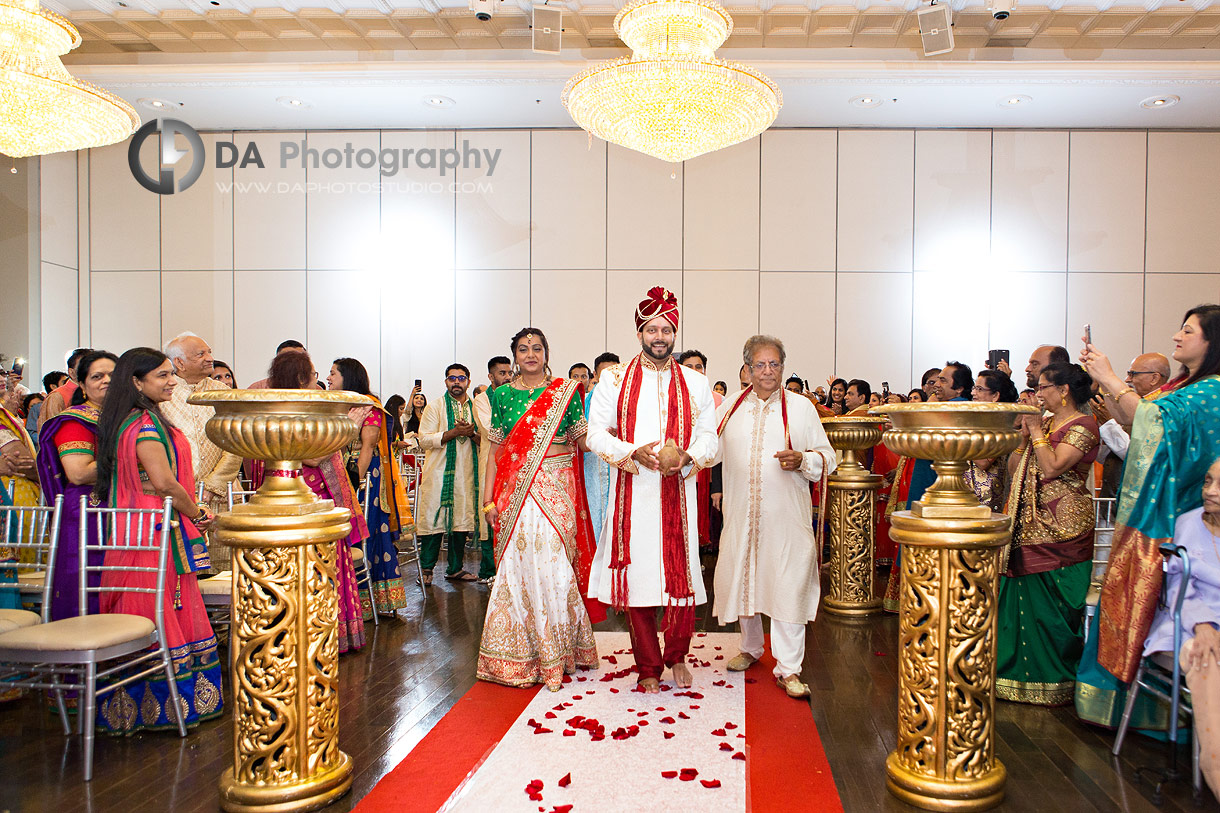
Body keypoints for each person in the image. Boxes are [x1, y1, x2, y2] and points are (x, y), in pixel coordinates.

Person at [586, 286, 717, 693]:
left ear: (674, 333)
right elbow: (594, 435)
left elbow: (710, 439)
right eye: (652, 329)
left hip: (677, 491)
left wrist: (689, 458)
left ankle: (676, 655)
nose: (660, 337)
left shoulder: (696, 383)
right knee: (639, 581)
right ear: (639, 332)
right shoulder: (615, 378)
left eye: (667, 330)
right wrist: (631, 452)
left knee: (681, 579)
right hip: (634, 495)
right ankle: (647, 665)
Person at [1086, 304, 1220, 683]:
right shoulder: (1185, 386)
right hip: (1156, 508)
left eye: (1188, 331)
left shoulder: (1212, 390)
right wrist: (1106, 384)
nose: (1177, 336)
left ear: (1214, 342)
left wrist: (1112, 378)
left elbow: (1152, 423)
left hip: (1178, 515)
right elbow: (1137, 417)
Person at [92, 347, 222, 733]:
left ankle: (152, 708)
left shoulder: (137, 419)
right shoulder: (145, 425)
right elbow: (164, 482)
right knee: (156, 611)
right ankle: (160, 709)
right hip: (153, 533)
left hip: (144, 529)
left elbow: (153, 480)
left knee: (159, 608)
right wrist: (195, 512)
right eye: (162, 375)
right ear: (137, 382)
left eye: (171, 374)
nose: (171, 381)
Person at [478, 328, 601, 689]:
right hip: (514, 492)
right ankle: (519, 654)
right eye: (522, 349)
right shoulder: (499, 397)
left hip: (557, 487)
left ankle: (561, 652)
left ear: (546, 353)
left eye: (536, 348)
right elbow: (495, 455)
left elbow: (583, 441)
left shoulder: (565, 394)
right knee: (518, 568)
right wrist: (488, 500)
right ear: (514, 355)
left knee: (554, 566)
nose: (530, 354)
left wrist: (618, 439)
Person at [714, 335, 835, 699]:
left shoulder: (801, 408)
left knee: (787, 586)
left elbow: (829, 457)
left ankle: (789, 668)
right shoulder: (730, 406)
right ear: (747, 368)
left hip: (786, 517)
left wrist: (804, 460)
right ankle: (751, 649)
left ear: (782, 366)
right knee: (745, 579)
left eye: (774, 365)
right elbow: (707, 450)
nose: (768, 372)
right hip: (741, 515)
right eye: (760, 365)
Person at [999, 362, 1098, 705]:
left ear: (1064, 390)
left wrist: (1038, 434)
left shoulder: (1084, 425)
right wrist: (1023, 440)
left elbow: (1054, 466)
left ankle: (1053, 679)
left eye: (1043, 388)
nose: (1038, 394)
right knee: (1019, 597)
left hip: (1063, 529)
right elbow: (1016, 470)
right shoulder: (1047, 423)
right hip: (1028, 524)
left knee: (1054, 606)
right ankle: (1011, 675)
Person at [262, 351, 369, 651]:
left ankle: (329, 636)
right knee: (316, 571)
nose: (319, 378)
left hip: (318, 499)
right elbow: (311, 456)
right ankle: (317, 639)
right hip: (306, 502)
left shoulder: (302, 407)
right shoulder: (288, 412)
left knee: (329, 567)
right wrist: (348, 428)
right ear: (300, 379)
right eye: (313, 373)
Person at [1138, 456, 1220, 796]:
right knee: (1205, 657)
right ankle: (1214, 765)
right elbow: (1176, 589)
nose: (1210, 492)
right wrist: (1203, 626)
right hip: (1185, 627)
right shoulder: (1187, 524)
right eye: (1207, 482)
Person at [36, 350, 117, 620]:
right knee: (90, 583)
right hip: (88, 513)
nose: (107, 380)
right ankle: (85, 653)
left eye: (113, 375)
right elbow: (79, 473)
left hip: (119, 509)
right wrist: (134, 458)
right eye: (97, 376)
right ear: (81, 385)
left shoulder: (124, 418)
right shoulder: (75, 421)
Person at [329, 358, 412, 614]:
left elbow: (367, 448)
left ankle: (367, 602)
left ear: (348, 377)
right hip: (339, 471)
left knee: (369, 529)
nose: (329, 378)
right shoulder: (340, 405)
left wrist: (353, 483)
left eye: (333, 373)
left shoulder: (369, 407)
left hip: (365, 478)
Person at [159, 333, 243, 573]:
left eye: (209, 352)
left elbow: (236, 444)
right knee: (187, 570)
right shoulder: (164, 395)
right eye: (201, 354)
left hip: (223, 494)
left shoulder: (223, 394)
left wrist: (211, 486)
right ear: (179, 363)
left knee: (228, 571)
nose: (210, 359)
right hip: (179, 497)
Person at [416, 364, 482, 584]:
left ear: (468, 382)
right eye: (452, 378)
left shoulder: (477, 408)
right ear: (446, 382)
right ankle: (426, 569)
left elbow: (486, 440)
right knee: (434, 523)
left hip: (467, 475)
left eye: (461, 378)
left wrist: (471, 433)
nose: (456, 382)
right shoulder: (434, 407)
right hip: (439, 474)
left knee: (461, 523)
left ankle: (455, 568)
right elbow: (424, 439)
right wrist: (453, 433)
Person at [472, 355, 512, 583]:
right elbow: (490, 429)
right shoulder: (482, 400)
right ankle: (489, 570)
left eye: (509, 373)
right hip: (492, 462)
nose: (507, 377)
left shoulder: (515, 395)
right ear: (491, 376)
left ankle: (508, 570)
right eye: (501, 373)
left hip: (515, 462)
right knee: (490, 511)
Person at [965, 369, 1018, 512]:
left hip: (986, 502)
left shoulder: (1002, 423)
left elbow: (983, 461)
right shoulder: (979, 420)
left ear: (995, 396)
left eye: (979, 389)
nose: (973, 393)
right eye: (974, 388)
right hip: (967, 497)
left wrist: (960, 434)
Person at [584, 352, 620, 547]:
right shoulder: (586, 400)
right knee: (595, 515)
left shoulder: (627, 398)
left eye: (614, 373)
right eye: (604, 373)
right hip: (593, 468)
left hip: (619, 466)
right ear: (595, 375)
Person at [38, 347, 92, 430]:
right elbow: (49, 433)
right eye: (83, 366)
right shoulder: (57, 396)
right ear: (71, 372)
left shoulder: (96, 392)